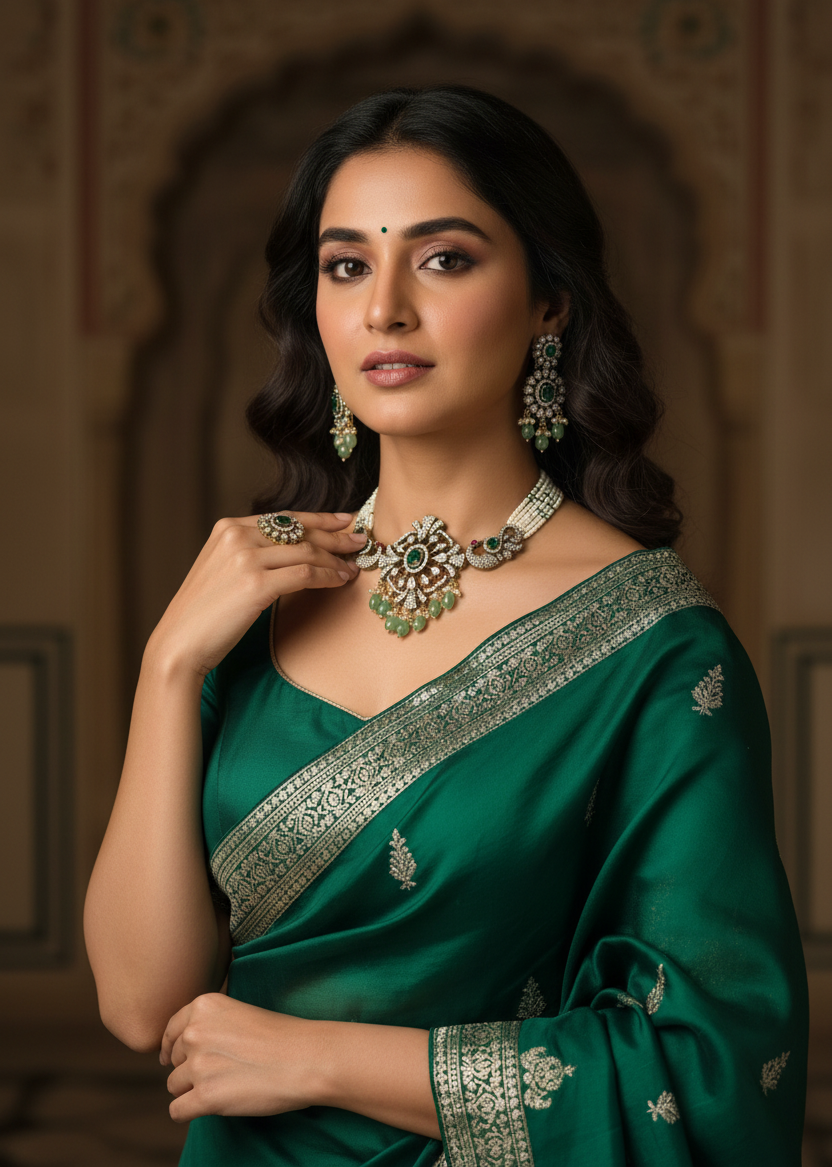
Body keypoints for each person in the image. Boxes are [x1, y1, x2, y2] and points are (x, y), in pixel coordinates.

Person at [84, 85, 808, 1166]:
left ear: (549, 301)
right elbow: (144, 1006)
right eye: (346, 266)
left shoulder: (656, 649)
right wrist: (169, 663)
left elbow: (708, 1069)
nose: (383, 309)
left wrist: (318, 1059)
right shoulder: (249, 604)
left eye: (443, 259)